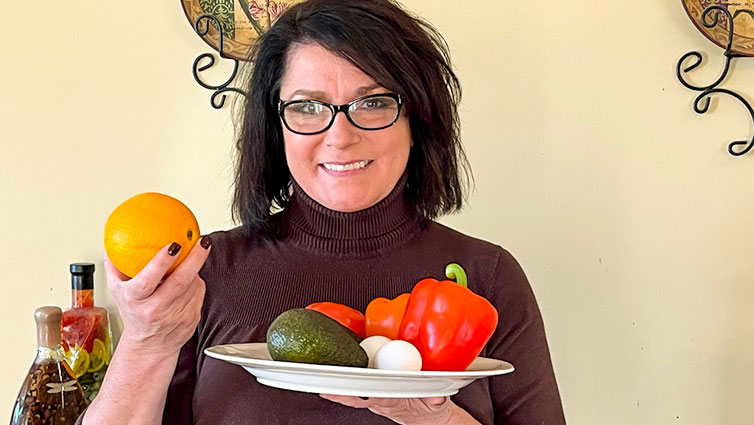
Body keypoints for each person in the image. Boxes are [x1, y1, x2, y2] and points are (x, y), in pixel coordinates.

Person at [79, 0, 566, 423]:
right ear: (276, 127)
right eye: (308, 107)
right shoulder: (205, 272)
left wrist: (431, 419)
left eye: (372, 102)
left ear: (417, 116)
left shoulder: (488, 277)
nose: (339, 136)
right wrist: (146, 343)